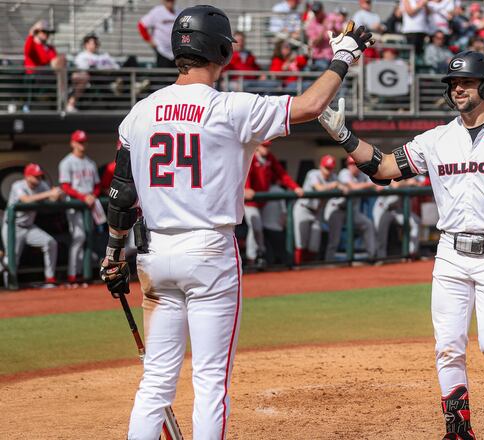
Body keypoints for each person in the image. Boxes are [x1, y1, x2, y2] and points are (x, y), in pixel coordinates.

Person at [98, 6, 373, 438]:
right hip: (209, 252)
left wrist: (114, 253)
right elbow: (312, 105)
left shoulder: (140, 112)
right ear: (222, 49)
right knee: (210, 383)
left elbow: (121, 195)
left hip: (153, 255)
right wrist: (345, 55)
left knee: (155, 383)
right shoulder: (229, 107)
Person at [318, 50, 484, 440]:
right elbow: (385, 167)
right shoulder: (437, 138)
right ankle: (458, 429)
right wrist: (345, 136)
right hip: (450, 254)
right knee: (448, 347)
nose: (457, 88)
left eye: (466, 82)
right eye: (453, 83)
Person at [244, 141, 303, 268]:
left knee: (255, 230)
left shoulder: (269, 158)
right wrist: (247, 188)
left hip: (263, 202)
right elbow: (245, 174)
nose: (266, 149)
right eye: (264, 146)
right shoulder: (251, 157)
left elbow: (282, 174)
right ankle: (257, 254)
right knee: (256, 228)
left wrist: (295, 187)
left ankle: (255, 257)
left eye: (268, 146)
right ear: (258, 146)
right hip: (250, 202)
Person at [3, 163, 62, 287]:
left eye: (40, 176)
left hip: (29, 227)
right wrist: (49, 194)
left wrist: (57, 195)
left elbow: (52, 198)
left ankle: (50, 279)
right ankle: (9, 286)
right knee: (12, 259)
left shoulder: (42, 185)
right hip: (12, 227)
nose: (39, 179)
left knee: (50, 242)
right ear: (27, 177)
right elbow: (26, 199)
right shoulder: (18, 185)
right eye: (36, 176)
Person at [59, 130, 101, 287]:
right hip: (74, 206)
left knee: (88, 238)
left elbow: (97, 185)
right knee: (79, 238)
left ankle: (83, 275)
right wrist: (84, 197)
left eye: (83, 141)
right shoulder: (67, 162)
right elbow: (65, 186)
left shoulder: (90, 163)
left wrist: (93, 196)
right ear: (72, 143)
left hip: (89, 205)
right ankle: (72, 275)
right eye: (79, 141)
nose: (81, 144)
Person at [292, 155, 347, 264]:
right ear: (321, 166)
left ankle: (309, 269)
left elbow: (344, 188)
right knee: (301, 243)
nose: (328, 171)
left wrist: (341, 186)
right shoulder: (313, 173)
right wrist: (334, 185)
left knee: (314, 245)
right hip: (303, 209)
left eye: (330, 168)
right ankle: (298, 268)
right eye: (326, 168)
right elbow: (319, 188)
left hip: (317, 212)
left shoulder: (333, 177)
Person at [328, 156, 377, 260]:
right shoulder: (344, 173)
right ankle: (329, 261)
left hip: (352, 211)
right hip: (337, 210)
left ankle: (371, 257)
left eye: (356, 164)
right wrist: (368, 185)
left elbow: (376, 184)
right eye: (351, 164)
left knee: (367, 224)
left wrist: (370, 184)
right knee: (334, 240)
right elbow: (353, 187)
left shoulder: (362, 175)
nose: (354, 167)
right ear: (348, 165)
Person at [138, 0, 179, 68]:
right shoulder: (157, 12)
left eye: (172, 0)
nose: (170, 2)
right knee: (163, 74)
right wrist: (149, 40)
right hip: (162, 50)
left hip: (176, 51)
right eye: (168, 1)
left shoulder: (178, 11)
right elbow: (141, 25)